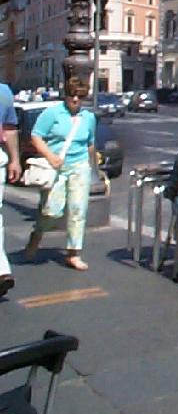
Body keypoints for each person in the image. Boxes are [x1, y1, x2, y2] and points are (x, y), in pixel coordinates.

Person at [24, 77, 98, 271]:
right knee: (52, 210)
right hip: (55, 167)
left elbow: (90, 142)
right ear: (65, 95)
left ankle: (73, 253)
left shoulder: (88, 117)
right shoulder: (52, 113)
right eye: (71, 95)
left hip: (79, 166)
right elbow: (36, 135)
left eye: (79, 96)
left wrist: (94, 166)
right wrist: (49, 155)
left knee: (77, 210)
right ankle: (37, 235)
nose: (75, 99)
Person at [1, 81, 22, 296]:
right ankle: (1, 270)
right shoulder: (4, 91)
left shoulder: (4, 92)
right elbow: (10, 128)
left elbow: (9, 128)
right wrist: (14, 159)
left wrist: (15, 159)